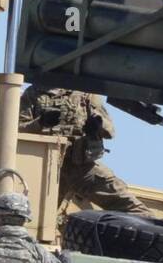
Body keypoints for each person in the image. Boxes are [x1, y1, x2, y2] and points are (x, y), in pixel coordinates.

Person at [18, 85, 148, 215]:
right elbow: (17, 130)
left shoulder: (86, 93)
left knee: (137, 211)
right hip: (48, 169)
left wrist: (97, 125)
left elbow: (110, 131)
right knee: (33, 216)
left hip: (84, 168)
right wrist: (40, 122)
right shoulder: (33, 93)